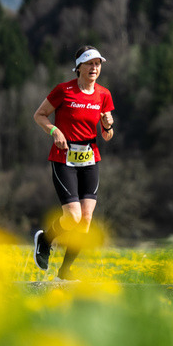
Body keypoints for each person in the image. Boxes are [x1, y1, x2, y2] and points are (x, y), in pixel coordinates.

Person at [32, 45, 115, 281]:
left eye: (97, 64)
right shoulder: (63, 90)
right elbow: (39, 115)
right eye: (89, 63)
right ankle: (45, 240)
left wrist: (108, 125)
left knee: (86, 220)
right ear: (79, 67)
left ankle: (65, 272)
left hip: (90, 157)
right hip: (64, 157)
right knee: (73, 217)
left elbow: (107, 136)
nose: (94, 68)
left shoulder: (104, 95)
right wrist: (54, 131)